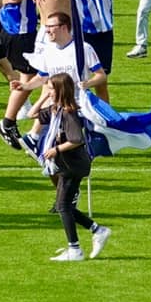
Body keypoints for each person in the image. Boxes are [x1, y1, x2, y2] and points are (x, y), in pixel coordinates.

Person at [34, 72, 109, 262]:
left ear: (60, 90)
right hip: (67, 164)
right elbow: (31, 114)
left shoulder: (69, 113)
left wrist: (55, 149)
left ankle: (75, 249)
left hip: (72, 164)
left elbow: (76, 139)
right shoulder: (55, 110)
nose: (49, 92)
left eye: (51, 89)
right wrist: (43, 96)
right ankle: (97, 230)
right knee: (64, 205)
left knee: (63, 206)